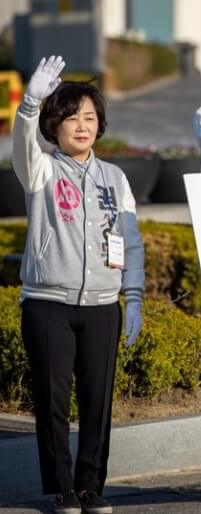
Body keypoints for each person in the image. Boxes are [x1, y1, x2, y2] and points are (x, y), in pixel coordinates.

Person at [12, 56, 145, 514]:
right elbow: (22, 143)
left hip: (102, 306)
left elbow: (130, 241)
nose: (81, 126)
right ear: (55, 126)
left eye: (89, 117)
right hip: (48, 303)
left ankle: (90, 486)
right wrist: (30, 102)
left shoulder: (115, 177)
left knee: (97, 402)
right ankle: (62, 488)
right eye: (71, 118)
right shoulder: (42, 170)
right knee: (52, 400)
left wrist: (133, 297)